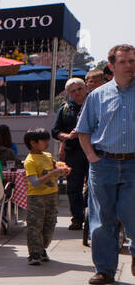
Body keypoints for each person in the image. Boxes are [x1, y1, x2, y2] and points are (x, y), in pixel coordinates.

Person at [75, 43, 135, 285]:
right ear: (112, 66)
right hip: (103, 165)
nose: (130, 65)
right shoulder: (98, 96)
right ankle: (104, 269)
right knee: (101, 219)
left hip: (133, 165)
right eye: (124, 62)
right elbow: (83, 131)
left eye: (132, 61)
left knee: (133, 215)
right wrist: (92, 158)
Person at [22, 127, 67, 266]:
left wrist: (62, 171)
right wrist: (53, 174)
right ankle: (34, 253)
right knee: (35, 225)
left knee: (50, 223)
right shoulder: (30, 161)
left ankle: (42, 248)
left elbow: (54, 169)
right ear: (33, 143)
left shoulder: (48, 156)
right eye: (44, 140)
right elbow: (34, 182)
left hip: (52, 195)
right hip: (36, 197)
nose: (47, 142)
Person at [52, 77, 91, 230]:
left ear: (85, 88)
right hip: (73, 151)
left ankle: (90, 215)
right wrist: (67, 136)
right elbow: (55, 131)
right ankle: (77, 217)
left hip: (94, 149)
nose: (76, 93)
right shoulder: (65, 108)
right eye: (72, 91)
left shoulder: (95, 103)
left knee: (93, 185)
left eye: (79, 89)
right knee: (73, 187)